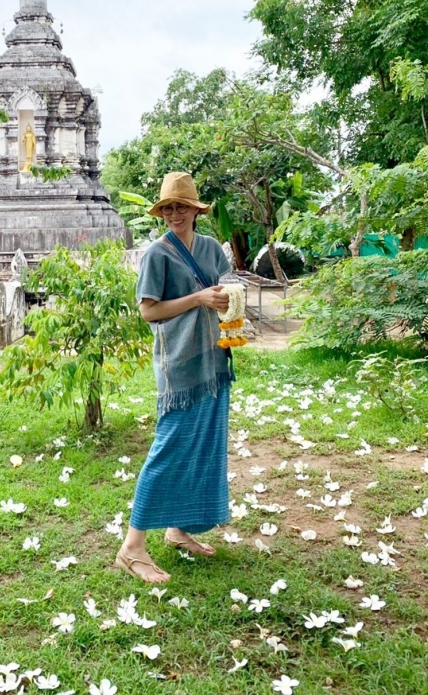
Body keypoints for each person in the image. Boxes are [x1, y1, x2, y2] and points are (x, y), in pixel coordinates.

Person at [115, 171, 234, 583]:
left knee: (203, 447)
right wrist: (198, 298)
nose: (174, 214)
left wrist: (224, 301)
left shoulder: (211, 250)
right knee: (168, 450)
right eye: (168, 208)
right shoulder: (157, 254)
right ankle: (131, 548)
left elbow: (227, 292)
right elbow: (149, 310)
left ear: (196, 211)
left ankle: (179, 529)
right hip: (179, 367)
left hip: (214, 362)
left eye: (181, 206)